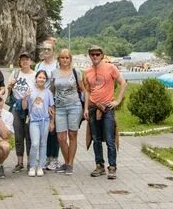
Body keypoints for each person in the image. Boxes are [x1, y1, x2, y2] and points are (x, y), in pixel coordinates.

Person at [83, 44, 127, 180]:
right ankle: (99, 165)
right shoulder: (87, 72)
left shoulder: (110, 68)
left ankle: (112, 167)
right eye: (92, 54)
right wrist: (85, 108)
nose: (95, 56)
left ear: (102, 55)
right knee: (95, 138)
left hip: (107, 108)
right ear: (89, 56)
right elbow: (87, 91)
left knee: (109, 138)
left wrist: (117, 101)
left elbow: (123, 83)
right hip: (93, 108)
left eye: (97, 54)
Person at [52, 48, 86, 175]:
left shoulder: (76, 72)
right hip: (60, 108)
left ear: (70, 59)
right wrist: (51, 106)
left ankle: (70, 164)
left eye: (67, 57)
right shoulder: (54, 73)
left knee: (72, 135)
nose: (65, 60)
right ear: (59, 59)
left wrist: (86, 108)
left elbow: (83, 90)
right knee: (61, 137)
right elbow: (52, 91)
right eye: (62, 57)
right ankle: (67, 163)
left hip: (74, 106)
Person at [6, 50, 35, 172]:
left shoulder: (35, 74)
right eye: (22, 59)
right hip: (16, 107)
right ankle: (19, 162)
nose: (25, 61)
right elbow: (9, 89)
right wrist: (10, 85)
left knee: (29, 135)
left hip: (30, 108)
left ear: (30, 61)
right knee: (18, 135)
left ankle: (30, 162)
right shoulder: (15, 73)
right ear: (20, 61)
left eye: (27, 59)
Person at [35, 39, 60, 170]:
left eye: (49, 49)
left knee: (53, 130)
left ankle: (54, 158)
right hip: (40, 103)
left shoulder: (57, 65)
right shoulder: (38, 66)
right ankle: (44, 158)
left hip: (54, 101)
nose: (46, 51)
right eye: (44, 49)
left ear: (53, 51)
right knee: (43, 130)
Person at [24, 69, 54, 177]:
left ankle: (40, 166)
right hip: (34, 121)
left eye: (44, 78)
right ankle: (32, 166)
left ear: (46, 80)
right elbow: (24, 107)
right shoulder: (30, 91)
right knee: (35, 143)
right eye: (40, 77)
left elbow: (51, 108)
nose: (41, 79)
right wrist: (25, 98)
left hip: (45, 121)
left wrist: (52, 122)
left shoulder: (48, 92)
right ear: (36, 78)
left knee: (43, 143)